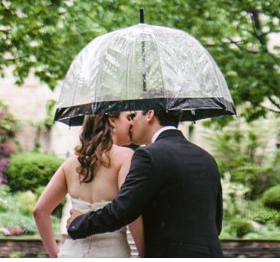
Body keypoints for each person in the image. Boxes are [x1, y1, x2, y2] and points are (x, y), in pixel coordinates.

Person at [66, 107, 223, 258]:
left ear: (149, 114)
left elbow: (122, 210)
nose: (132, 123)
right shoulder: (206, 158)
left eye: (134, 116)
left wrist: (79, 223)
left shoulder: (148, 155)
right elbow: (216, 221)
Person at [33, 110, 144, 259]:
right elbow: (131, 211)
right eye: (128, 117)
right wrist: (144, 253)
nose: (131, 122)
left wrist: (54, 254)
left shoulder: (71, 163)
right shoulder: (127, 156)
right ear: (112, 120)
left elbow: (40, 211)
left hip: (71, 254)